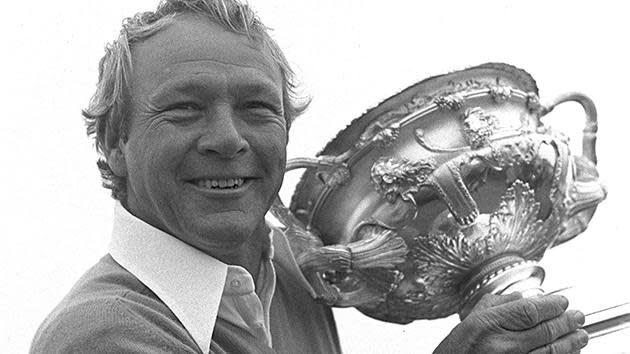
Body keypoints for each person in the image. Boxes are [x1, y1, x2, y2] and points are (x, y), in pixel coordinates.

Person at [31, 0, 590, 353]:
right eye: (183, 108)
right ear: (113, 143)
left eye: (257, 108)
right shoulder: (101, 334)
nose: (229, 139)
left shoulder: (295, 274)